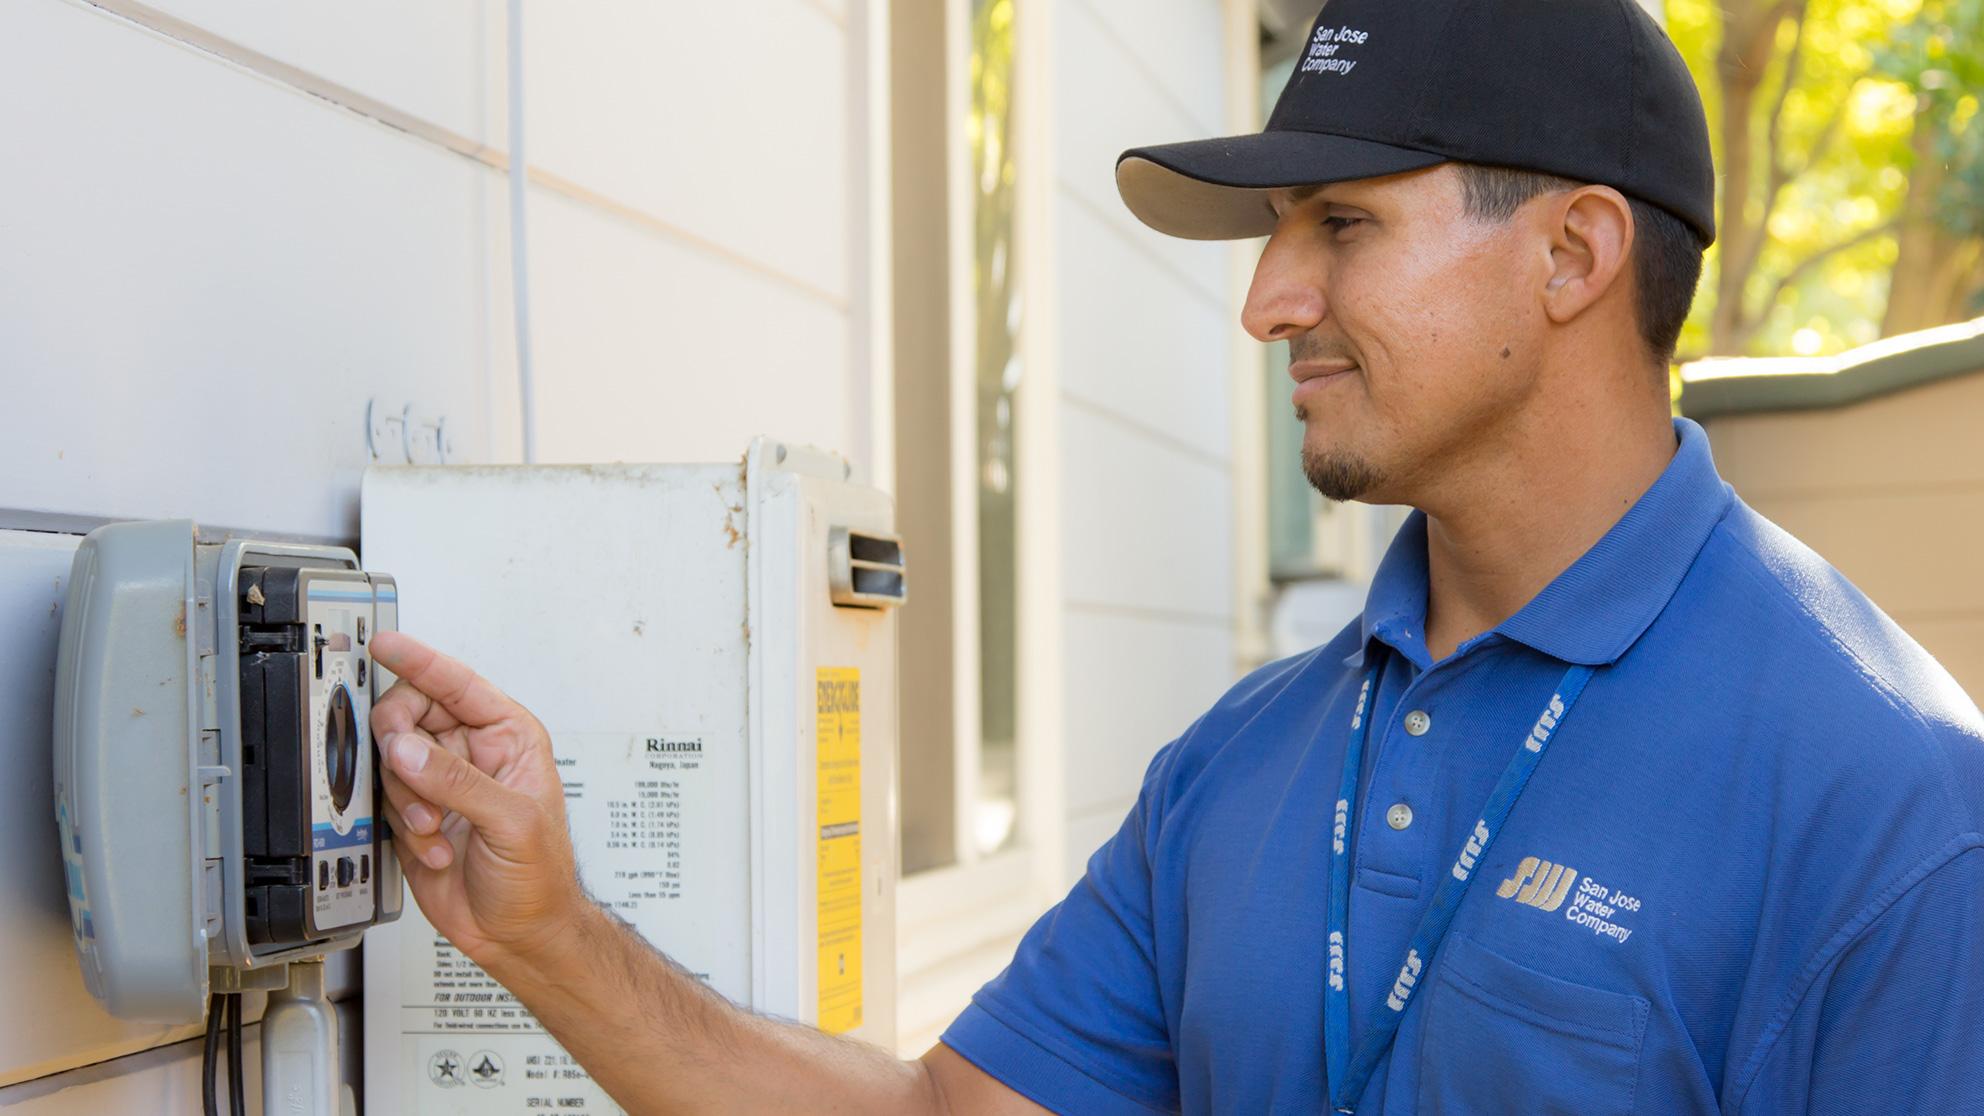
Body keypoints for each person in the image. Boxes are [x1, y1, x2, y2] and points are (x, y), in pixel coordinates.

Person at [367, 0, 1984, 1111]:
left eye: (1341, 224)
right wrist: (545, 931)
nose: (1270, 301)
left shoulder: (1891, 801)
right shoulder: (1242, 766)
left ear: (1572, 255)